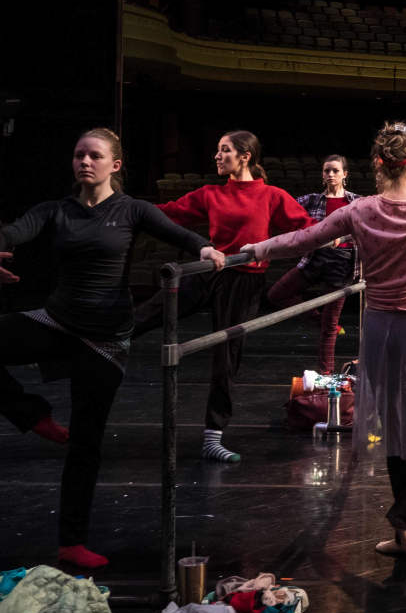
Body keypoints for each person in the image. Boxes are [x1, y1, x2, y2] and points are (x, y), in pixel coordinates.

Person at [245, 123, 406, 562]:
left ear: (377, 165)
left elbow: (301, 240)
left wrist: (253, 250)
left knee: (398, 430)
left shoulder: (358, 212)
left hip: (380, 326)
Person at [0, 128, 224, 569]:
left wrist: (207, 248)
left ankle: (71, 541)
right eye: (79, 155)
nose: (85, 162)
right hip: (58, 321)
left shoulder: (132, 210)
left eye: (95, 156)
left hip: (104, 339)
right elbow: (14, 231)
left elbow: (180, 234)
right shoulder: (55, 210)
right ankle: (32, 414)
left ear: (114, 165)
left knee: (86, 443)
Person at [134, 130, 311, 463]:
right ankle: (106, 340)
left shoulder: (271, 195)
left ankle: (212, 437)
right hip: (211, 272)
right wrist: (127, 210)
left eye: (224, 150)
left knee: (225, 359)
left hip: (244, 283)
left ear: (245, 156)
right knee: (152, 310)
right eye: (217, 150)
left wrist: (342, 234)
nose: (217, 156)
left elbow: (306, 225)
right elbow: (168, 213)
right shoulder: (211, 193)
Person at [266, 155, 361, 373]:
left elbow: (366, 229)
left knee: (329, 330)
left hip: (342, 264)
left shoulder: (357, 202)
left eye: (335, 171)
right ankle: (322, 321)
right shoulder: (312, 200)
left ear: (345, 174)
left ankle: (325, 374)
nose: (330, 174)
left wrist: (344, 237)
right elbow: (283, 210)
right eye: (327, 170)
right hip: (315, 259)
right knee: (276, 294)